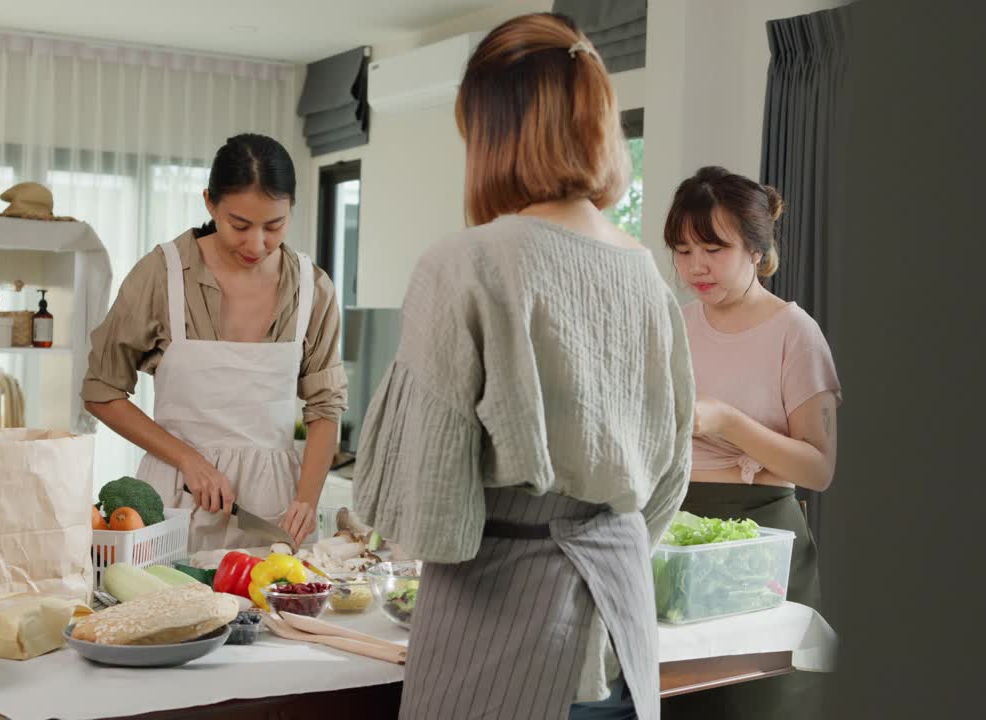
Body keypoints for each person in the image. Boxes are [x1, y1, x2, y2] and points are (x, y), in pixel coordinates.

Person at [352, 13, 693, 720]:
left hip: (500, 641)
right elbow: (669, 479)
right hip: (617, 634)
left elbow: (438, 519)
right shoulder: (648, 278)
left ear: (493, 132)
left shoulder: (465, 263)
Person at [82, 133, 348, 552]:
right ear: (209, 203)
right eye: (239, 225)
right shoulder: (163, 274)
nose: (257, 244)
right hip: (175, 500)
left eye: (274, 225)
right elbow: (100, 392)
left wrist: (307, 500)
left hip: (274, 510)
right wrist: (188, 458)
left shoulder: (313, 289)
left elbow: (325, 407)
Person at [659, 166, 841, 720]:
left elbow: (818, 469)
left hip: (762, 536)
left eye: (713, 248)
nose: (695, 267)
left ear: (758, 251)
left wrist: (727, 423)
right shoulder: (675, 325)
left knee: (758, 705)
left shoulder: (796, 333)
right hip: (675, 533)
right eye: (683, 250)